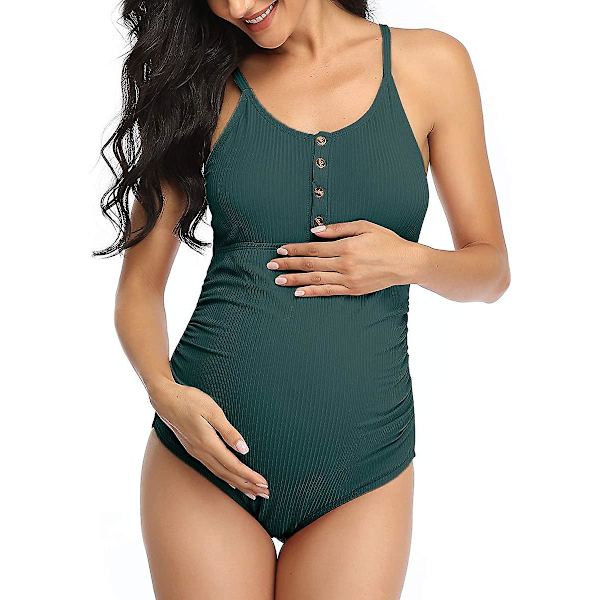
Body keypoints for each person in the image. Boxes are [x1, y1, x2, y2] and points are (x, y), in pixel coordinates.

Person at [97, 0, 510, 597]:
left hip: (362, 467)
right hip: (205, 458)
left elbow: (490, 271)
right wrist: (166, 395)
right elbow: (138, 288)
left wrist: (407, 261)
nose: (238, 6)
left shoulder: (432, 64)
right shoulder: (202, 86)